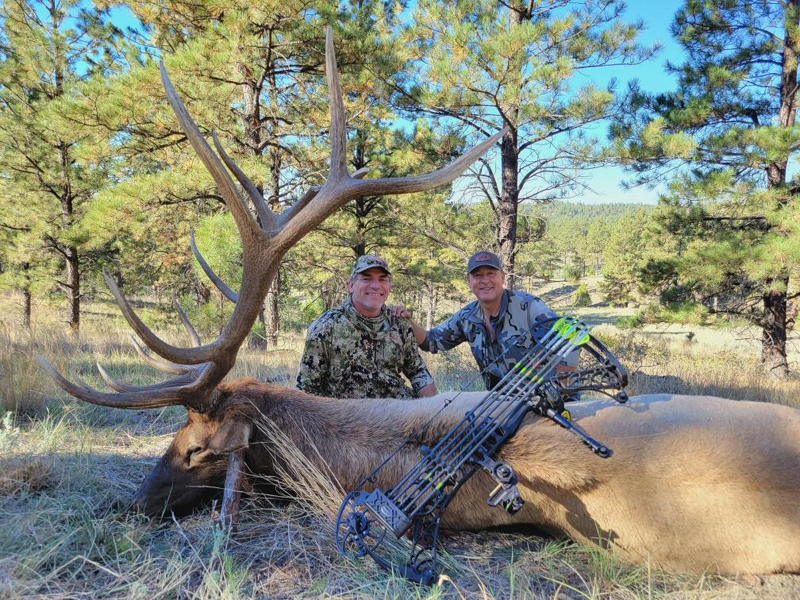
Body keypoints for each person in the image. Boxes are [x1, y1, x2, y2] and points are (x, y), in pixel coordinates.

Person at [394, 250, 575, 390]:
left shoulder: (529, 307)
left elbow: (570, 339)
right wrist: (407, 320)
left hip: (548, 401)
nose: (485, 280)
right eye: (478, 275)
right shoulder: (467, 317)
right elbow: (430, 341)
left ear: (502, 277)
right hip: (503, 405)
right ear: (469, 280)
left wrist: (561, 389)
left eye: (491, 273)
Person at [296, 255, 438, 399]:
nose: (376, 285)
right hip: (347, 416)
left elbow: (418, 372)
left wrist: (434, 409)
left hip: (398, 412)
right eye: (366, 278)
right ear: (351, 285)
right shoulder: (326, 327)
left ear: (389, 287)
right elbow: (307, 391)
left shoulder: (399, 323)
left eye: (382, 279)